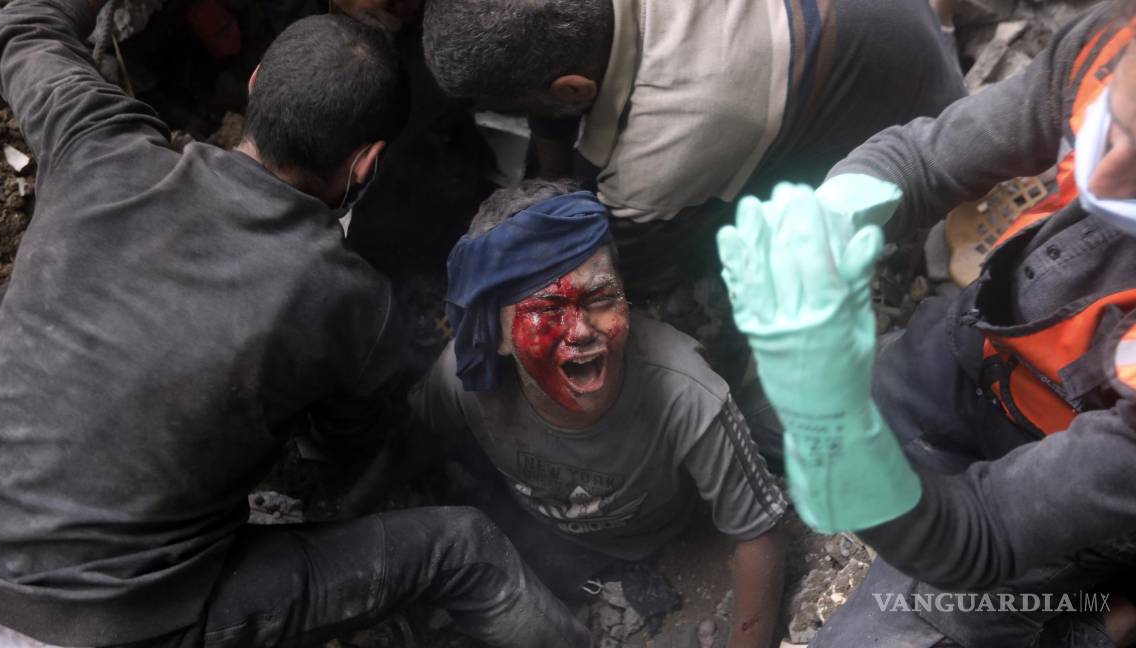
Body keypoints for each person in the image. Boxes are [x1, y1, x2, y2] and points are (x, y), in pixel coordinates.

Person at [0, 2, 589, 646]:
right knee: (465, 549)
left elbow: (17, 24)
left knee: (9, 310)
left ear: (255, 85)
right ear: (368, 164)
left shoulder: (95, 142)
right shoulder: (348, 296)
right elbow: (340, 445)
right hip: (115, 619)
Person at [716, 0, 1136, 646]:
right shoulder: (1111, 46)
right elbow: (926, 159)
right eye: (1117, 129)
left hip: (1074, 468)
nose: (1102, 177)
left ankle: (1097, 619)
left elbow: (983, 531)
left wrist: (841, 444)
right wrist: (836, 214)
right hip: (980, 349)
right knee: (757, 417)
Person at [408, 180, 790, 648]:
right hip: (540, 539)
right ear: (498, 334)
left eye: (600, 299)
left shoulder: (685, 391)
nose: (581, 331)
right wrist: (357, 503)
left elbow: (758, 531)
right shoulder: (464, 380)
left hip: (660, 534)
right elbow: (417, 438)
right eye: (547, 310)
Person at [419, 0, 966, 298]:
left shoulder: (671, 142)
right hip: (893, 23)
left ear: (572, 91)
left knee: (679, 253)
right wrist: (552, 172)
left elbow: (631, 257)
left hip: (920, 126)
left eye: (515, 108)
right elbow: (561, 92)